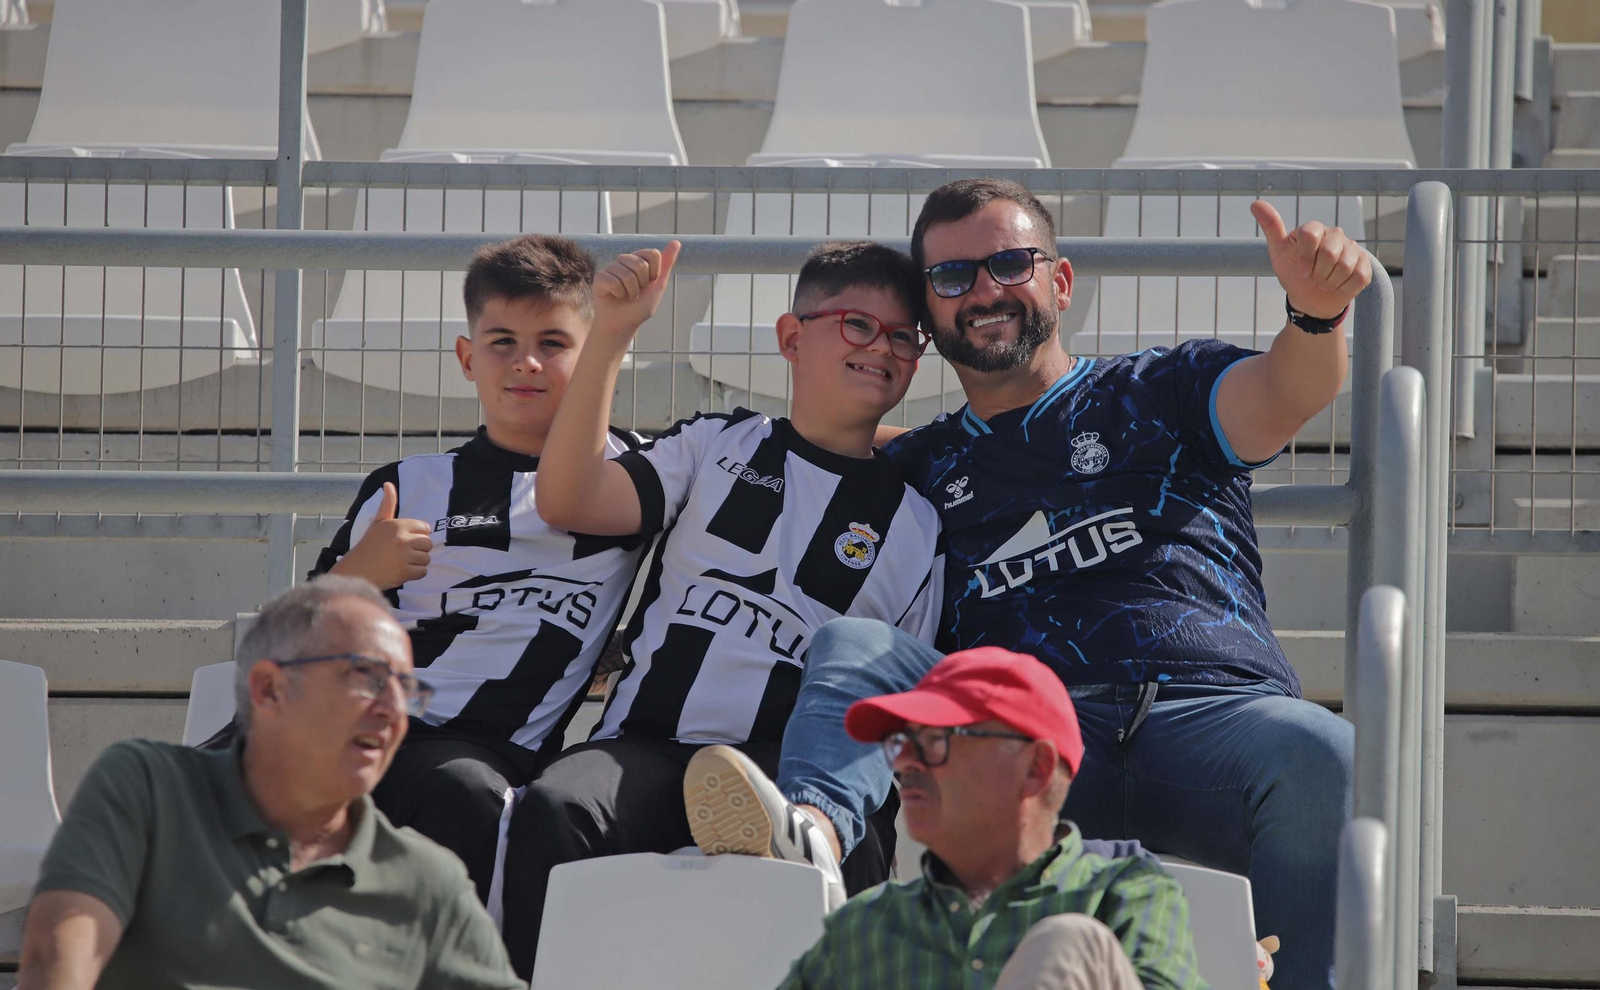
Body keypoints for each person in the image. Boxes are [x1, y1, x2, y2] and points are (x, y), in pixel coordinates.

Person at [692, 179, 1363, 990]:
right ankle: (811, 839)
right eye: (951, 279)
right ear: (931, 321)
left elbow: (1287, 393)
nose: (982, 291)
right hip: (1014, 740)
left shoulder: (1164, 391)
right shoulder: (915, 468)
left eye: (1009, 263)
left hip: (1209, 716)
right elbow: (798, 468)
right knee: (858, 646)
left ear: (1060, 281)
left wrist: (1316, 314)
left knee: (1324, 752)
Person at [501, 240, 945, 977]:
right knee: (554, 808)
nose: (884, 349)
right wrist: (609, 334)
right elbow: (570, 496)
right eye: (860, 326)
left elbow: (892, 702)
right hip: (648, 746)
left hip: (788, 774)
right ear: (791, 338)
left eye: (905, 337)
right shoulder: (715, 444)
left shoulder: (920, 525)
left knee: (850, 846)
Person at [305, 234, 652, 905]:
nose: (525, 362)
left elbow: (784, 448)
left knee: (460, 796)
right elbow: (293, 638)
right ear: (468, 358)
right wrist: (357, 575)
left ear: (597, 359)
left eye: (553, 343)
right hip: (342, 720)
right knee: (172, 780)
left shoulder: (638, 475)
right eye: (501, 342)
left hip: (472, 749)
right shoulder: (406, 483)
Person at [17, 576, 523, 990]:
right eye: (367, 677)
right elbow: (55, 964)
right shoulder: (149, 791)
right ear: (270, 688)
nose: (393, 709)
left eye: (407, 689)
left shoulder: (429, 880)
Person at [779, 647, 1204, 990]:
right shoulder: (864, 928)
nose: (904, 761)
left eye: (933, 740)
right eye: (900, 741)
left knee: (1071, 947)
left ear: (1035, 767)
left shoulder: (1124, 892)